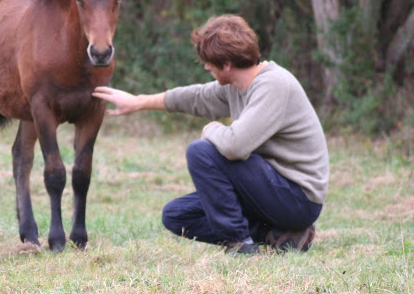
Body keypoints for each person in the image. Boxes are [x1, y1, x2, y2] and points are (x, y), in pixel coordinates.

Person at [93, 14, 328, 255]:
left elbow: (235, 146)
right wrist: (139, 102)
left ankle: (240, 244)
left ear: (226, 64)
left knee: (201, 151)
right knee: (177, 215)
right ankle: (279, 235)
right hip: (269, 191)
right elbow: (195, 97)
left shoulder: (274, 85)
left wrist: (211, 128)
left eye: (209, 62)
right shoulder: (236, 87)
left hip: (298, 199)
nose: (206, 67)